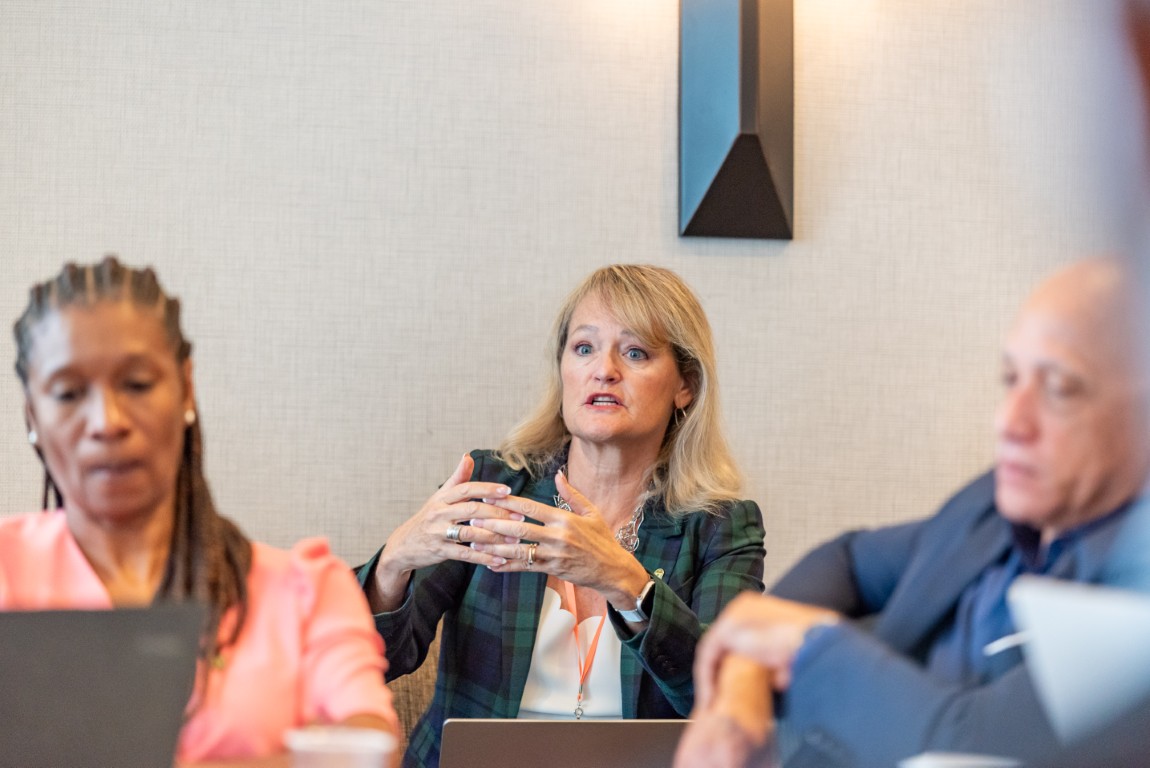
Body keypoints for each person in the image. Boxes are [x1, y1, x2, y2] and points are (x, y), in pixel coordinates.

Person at [675, 257, 1150, 768]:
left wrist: (804, 645)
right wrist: (744, 681)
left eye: (1059, 389)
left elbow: (975, 748)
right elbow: (849, 560)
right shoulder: (992, 505)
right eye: (1010, 378)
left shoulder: (1134, 586)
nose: (1009, 420)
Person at [358, 264, 766, 768]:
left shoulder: (721, 528)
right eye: (584, 347)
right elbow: (372, 663)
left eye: (635, 352)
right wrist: (392, 565)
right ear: (563, 370)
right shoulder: (495, 489)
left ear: (686, 385)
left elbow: (728, 707)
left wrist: (627, 584)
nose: (604, 370)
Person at [1, 256, 400, 765]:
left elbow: (373, 750)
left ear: (185, 388)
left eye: (136, 384)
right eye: (68, 393)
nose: (106, 421)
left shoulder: (304, 592)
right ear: (32, 417)